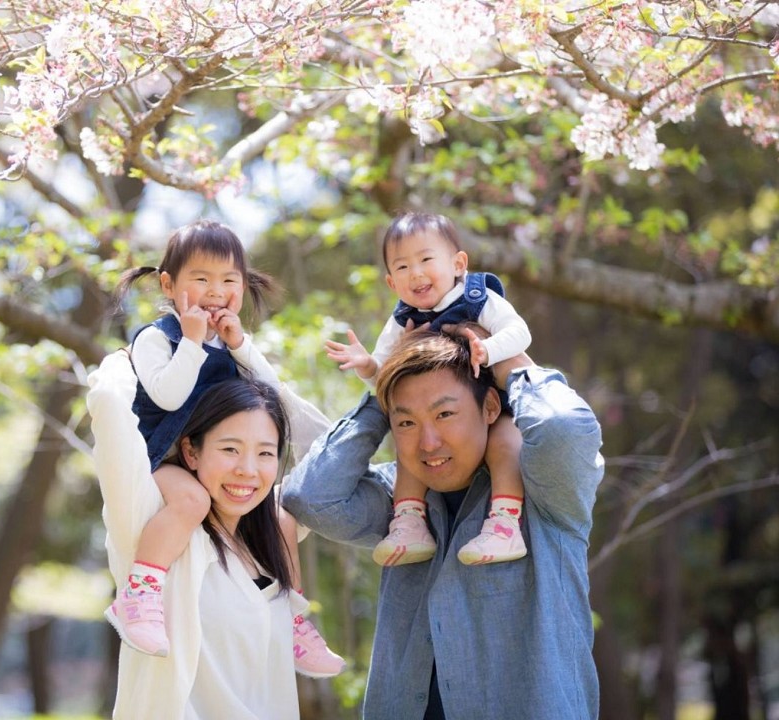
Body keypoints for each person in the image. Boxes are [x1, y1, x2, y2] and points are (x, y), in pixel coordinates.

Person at [283, 329, 604, 719]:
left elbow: (563, 428)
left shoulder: (545, 491)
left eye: (444, 414)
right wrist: (382, 396)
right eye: (407, 423)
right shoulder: (402, 505)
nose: (428, 442)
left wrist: (506, 360)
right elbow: (311, 497)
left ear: (489, 407)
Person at [108, 220, 343, 677]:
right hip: (163, 456)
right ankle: (139, 593)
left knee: (282, 515)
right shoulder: (157, 338)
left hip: (215, 461)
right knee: (192, 502)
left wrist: (240, 346)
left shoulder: (231, 343)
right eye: (201, 279)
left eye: (228, 280)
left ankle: (291, 615)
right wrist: (192, 341)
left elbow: (272, 397)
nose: (216, 291)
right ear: (169, 285)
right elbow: (169, 397)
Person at [88, 352, 315, 718]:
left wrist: (244, 354)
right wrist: (132, 357)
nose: (248, 470)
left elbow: (329, 449)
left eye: (265, 453)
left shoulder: (274, 536)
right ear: (191, 452)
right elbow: (109, 401)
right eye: (230, 449)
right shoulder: (154, 523)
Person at [325, 212, 533, 567]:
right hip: (438, 415)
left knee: (505, 443)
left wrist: (488, 349)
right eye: (403, 267)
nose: (416, 273)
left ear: (458, 264)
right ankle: (409, 522)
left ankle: (504, 524)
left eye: (425, 260)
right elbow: (385, 378)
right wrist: (369, 367)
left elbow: (520, 333)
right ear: (391, 282)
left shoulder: (478, 298)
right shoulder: (401, 319)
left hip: (494, 404)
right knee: (411, 447)